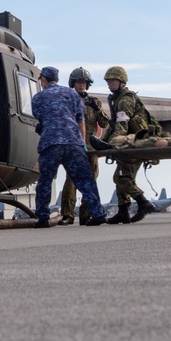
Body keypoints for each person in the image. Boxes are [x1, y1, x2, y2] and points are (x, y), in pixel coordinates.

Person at [89, 66, 170, 224]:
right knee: (121, 176)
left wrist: (113, 144)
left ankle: (143, 202)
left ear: (122, 82)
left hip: (137, 142)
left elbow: (122, 125)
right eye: (108, 81)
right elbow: (115, 125)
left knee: (121, 178)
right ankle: (123, 211)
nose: (109, 83)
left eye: (113, 81)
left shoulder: (125, 99)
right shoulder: (115, 98)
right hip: (130, 141)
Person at [30, 67, 107, 228]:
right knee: (86, 181)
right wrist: (82, 144)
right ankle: (99, 214)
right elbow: (81, 121)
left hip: (51, 143)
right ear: (57, 79)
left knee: (45, 181)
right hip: (73, 143)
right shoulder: (72, 95)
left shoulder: (38, 97)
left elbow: (40, 119)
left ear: (43, 79)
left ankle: (43, 218)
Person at [57, 67, 110, 225]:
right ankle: (67, 215)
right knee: (71, 181)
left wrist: (97, 109)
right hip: (74, 147)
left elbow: (105, 123)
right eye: (79, 82)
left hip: (91, 148)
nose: (82, 85)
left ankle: (87, 214)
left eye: (84, 83)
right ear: (73, 83)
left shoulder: (94, 102)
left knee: (91, 182)